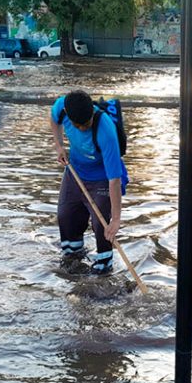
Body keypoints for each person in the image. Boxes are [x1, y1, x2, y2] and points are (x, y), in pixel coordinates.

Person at [51, 90, 129, 274]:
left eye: (88, 123)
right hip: (75, 172)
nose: (85, 128)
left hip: (102, 178)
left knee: (102, 227)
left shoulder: (105, 130)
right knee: (65, 216)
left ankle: (104, 269)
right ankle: (74, 263)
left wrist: (116, 220)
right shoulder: (62, 107)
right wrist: (59, 146)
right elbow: (54, 120)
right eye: (80, 126)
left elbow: (114, 180)